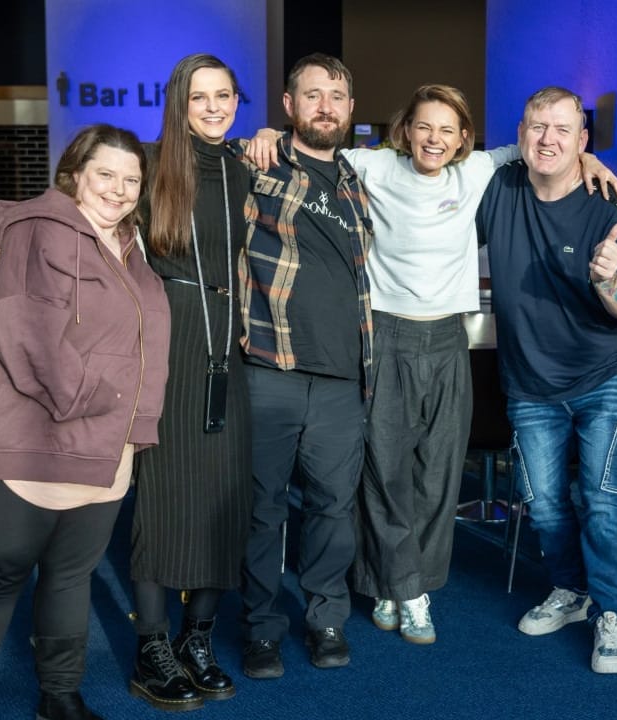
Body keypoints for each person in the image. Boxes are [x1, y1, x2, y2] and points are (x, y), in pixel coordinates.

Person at [245, 85, 617, 646]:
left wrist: (588, 155)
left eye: (448, 130)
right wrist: (267, 134)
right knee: (385, 470)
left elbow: (544, 147)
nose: (435, 139)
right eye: (425, 127)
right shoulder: (372, 164)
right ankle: (409, 592)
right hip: (385, 334)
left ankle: (398, 584)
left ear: (463, 138)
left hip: (448, 338)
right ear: (406, 130)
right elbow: (311, 143)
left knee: (439, 474)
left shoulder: (475, 169)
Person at [0, 124, 171, 720]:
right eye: (106, 174)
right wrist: (97, 394)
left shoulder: (131, 245)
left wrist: (130, 420)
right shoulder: (36, 227)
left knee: (71, 576)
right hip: (31, 433)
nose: (119, 190)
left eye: (132, 180)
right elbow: (26, 328)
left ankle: (60, 697)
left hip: (105, 442)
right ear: (74, 172)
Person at [475, 86, 617, 674]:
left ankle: (613, 612)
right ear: (519, 132)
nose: (546, 139)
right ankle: (571, 591)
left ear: (583, 140)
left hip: (604, 372)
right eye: (535, 127)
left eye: (561, 130)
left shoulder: (608, 203)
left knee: (602, 498)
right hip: (529, 380)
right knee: (544, 505)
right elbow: (431, 172)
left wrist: (609, 281)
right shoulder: (498, 188)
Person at [235, 52, 373, 681]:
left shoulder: (356, 180)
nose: (326, 106)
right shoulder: (255, 162)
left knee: (332, 510)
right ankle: (261, 629)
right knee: (263, 510)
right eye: (312, 95)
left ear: (349, 109)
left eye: (337, 96)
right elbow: (175, 165)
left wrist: (583, 155)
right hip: (270, 370)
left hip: (345, 377)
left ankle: (325, 618)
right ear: (287, 106)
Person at [127, 53, 252, 710]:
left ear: (237, 100)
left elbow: (323, 191)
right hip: (167, 346)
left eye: (224, 95)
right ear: (179, 102)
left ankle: (195, 639)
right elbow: (72, 214)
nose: (212, 107)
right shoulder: (147, 166)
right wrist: (7, 232)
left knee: (224, 505)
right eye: (199, 96)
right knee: (164, 504)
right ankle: (152, 646)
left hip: (228, 349)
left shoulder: (246, 167)